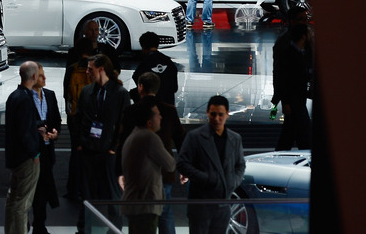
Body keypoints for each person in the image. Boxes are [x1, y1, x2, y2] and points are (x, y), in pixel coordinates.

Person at [119, 72, 184, 234]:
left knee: (143, 216)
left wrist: (120, 171)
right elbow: (181, 139)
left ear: (140, 87)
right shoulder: (169, 110)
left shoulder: (131, 111)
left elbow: (122, 141)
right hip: (164, 172)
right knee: (165, 214)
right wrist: (183, 167)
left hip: (138, 174)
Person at [75, 54, 130, 234]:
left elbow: (124, 124)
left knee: (113, 196)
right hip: (88, 151)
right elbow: (79, 119)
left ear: (101, 69)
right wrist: (81, 144)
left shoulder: (120, 93)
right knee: (87, 196)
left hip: (108, 153)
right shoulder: (87, 91)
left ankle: (115, 230)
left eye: (90, 69)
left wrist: (114, 148)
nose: (87, 72)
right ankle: (84, 230)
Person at [177, 95, 246, 234]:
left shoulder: (235, 139)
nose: (216, 118)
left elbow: (240, 165)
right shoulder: (195, 137)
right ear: (208, 113)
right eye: (213, 114)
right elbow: (182, 163)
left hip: (223, 204)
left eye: (220, 115)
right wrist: (206, 178)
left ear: (227, 114)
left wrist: (232, 182)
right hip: (200, 203)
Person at [4, 61, 43, 234]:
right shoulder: (26, 99)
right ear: (34, 76)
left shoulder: (14, 96)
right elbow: (25, 132)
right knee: (22, 204)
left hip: (14, 156)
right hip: (26, 159)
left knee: (12, 200)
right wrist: (35, 154)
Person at [272, 20, 313, 150]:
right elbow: (285, 80)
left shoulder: (300, 53)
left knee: (289, 132)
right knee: (303, 132)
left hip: (297, 100)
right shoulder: (291, 55)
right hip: (295, 101)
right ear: (303, 36)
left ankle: (281, 152)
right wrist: (286, 102)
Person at [30, 64, 61, 234]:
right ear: (33, 77)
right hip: (32, 152)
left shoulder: (50, 95)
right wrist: (37, 128)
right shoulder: (25, 97)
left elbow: (55, 120)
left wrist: (55, 133)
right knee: (32, 189)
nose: (45, 78)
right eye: (41, 76)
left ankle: (39, 224)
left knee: (42, 189)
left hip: (48, 150)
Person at [63, 37, 95, 201]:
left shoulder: (72, 69)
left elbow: (65, 94)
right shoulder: (95, 69)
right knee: (91, 155)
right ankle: (88, 189)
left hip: (75, 117)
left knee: (75, 153)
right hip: (92, 120)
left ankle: (72, 189)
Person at [132, 32, 179, 106]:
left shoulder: (144, 64)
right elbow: (174, 88)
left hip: (149, 108)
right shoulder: (169, 62)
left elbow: (137, 78)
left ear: (143, 47)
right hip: (168, 106)